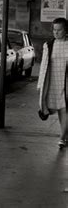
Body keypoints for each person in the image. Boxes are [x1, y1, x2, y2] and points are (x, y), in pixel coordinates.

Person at [37, 17, 68, 149]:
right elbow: (43, 65)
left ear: (66, 30)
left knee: (66, 108)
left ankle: (62, 138)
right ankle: (65, 136)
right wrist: (40, 84)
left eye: (59, 30)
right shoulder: (48, 45)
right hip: (52, 81)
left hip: (66, 81)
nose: (56, 32)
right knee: (60, 110)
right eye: (54, 30)